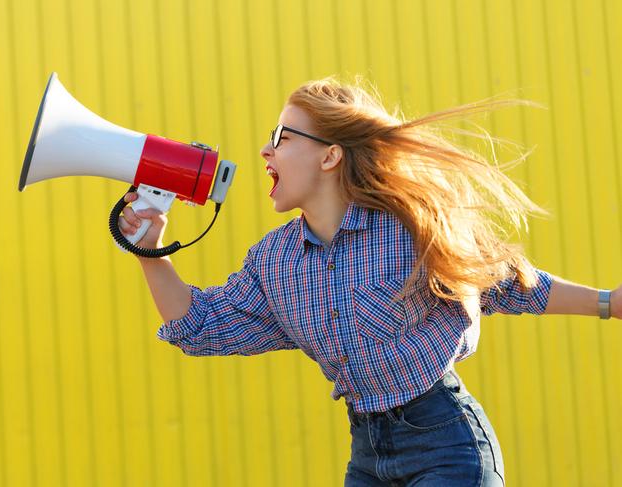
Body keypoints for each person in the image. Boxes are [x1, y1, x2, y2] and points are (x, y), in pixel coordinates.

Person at [118, 77, 620, 486]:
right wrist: (149, 252)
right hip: (368, 457)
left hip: (445, 444)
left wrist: (609, 303)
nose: (265, 152)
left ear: (330, 155)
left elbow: (512, 285)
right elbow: (201, 327)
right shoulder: (274, 262)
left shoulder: (409, 230)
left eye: (283, 138)